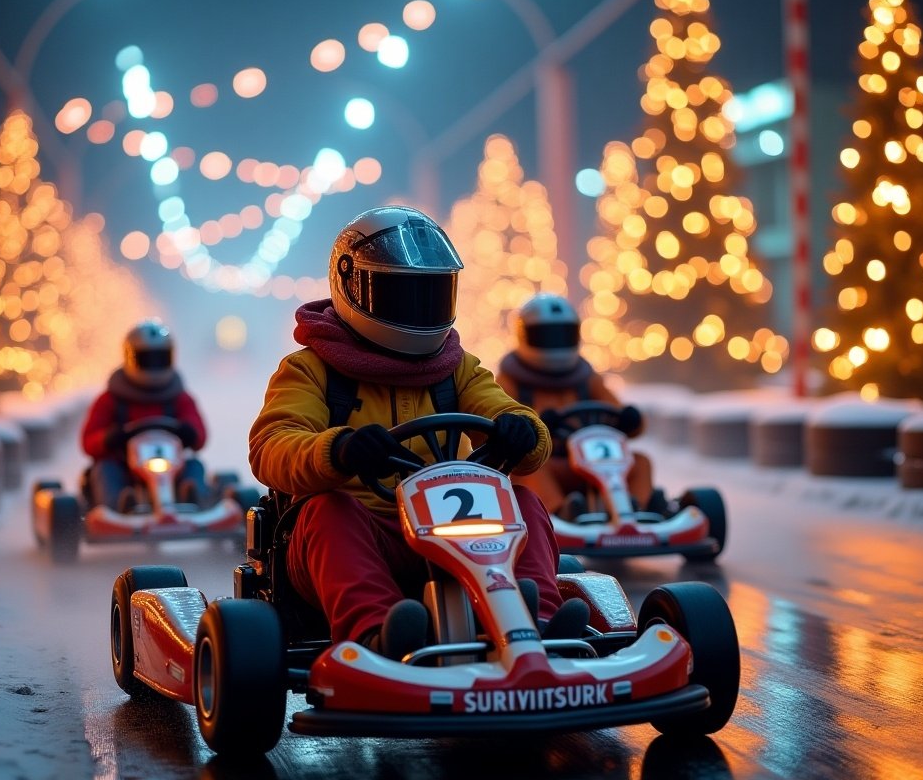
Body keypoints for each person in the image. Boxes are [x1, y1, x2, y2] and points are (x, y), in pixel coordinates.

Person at [248, 206, 589, 660]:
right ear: (352, 285)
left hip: (453, 534)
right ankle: (378, 636)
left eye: (430, 293)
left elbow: (513, 418)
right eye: (401, 295)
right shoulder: (311, 370)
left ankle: (538, 627)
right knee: (329, 511)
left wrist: (522, 431)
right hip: (360, 537)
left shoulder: (455, 368)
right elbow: (271, 446)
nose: (419, 309)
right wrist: (340, 449)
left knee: (522, 499)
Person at [496, 293, 655, 519]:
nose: (555, 342)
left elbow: (619, 413)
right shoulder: (509, 382)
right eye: (547, 336)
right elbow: (499, 417)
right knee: (529, 469)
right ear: (526, 335)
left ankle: (635, 511)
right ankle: (559, 513)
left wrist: (630, 420)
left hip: (594, 462)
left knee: (640, 461)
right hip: (552, 464)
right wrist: (536, 427)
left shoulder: (588, 380)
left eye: (562, 334)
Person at [81, 318, 209, 511]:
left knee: (194, 466)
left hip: (172, 467)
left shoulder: (180, 398)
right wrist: (108, 438)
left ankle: (192, 499)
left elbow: (200, 435)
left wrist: (189, 432)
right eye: (148, 359)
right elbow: (88, 440)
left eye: (160, 358)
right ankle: (120, 506)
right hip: (125, 468)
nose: (154, 365)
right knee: (105, 469)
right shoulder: (110, 399)